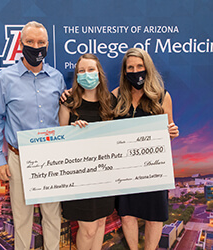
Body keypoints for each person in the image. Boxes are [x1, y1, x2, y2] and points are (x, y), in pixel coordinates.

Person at [0, 21, 66, 250]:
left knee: (52, 216)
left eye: (41, 42)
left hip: (50, 158)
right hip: (18, 158)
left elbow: (63, 115)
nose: (36, 46)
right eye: (30, 42)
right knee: (21, 220)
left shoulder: (57, 78)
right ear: (21, 45)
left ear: (48, 45)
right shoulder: (4, 78)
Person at [112, 47, 179, 250]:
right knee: (127, 214)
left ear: (147, 68)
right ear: (124, 72)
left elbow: (169, 131)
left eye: (139, 66)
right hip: (125, 169)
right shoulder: (115, 96)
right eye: (130, 67)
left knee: (154, 216)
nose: (135, 71)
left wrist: (172, 132)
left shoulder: (162, 96)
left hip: (154, 169)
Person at [58, 53, 116, 250]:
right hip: (79, 178)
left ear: (99, 72)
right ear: (76, 76)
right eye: (81, 71)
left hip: (104, 175)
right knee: (88, 229)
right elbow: (59, 141)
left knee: (101, 223)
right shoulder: (69, 103)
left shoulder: (111, 102)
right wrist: (73, 131)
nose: (86, 74)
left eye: (91, 69)